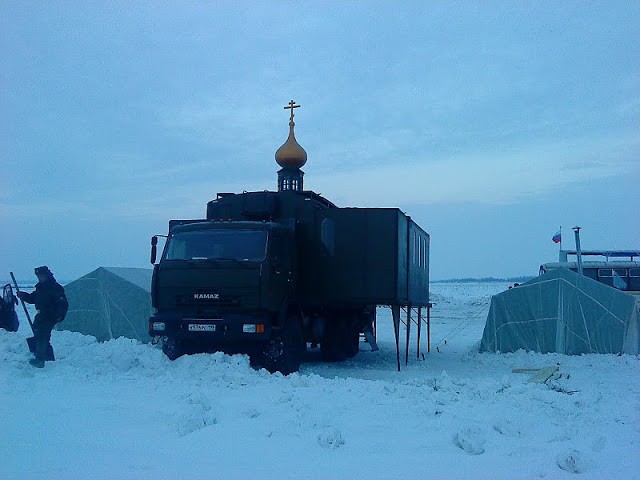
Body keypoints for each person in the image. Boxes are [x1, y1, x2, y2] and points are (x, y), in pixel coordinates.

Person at [17, 266, 68, 368]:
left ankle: (40, 360)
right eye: (38, 276)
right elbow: (32, 298)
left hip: (50, 315)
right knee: (38, 334)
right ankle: (48, 358)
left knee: (42, 335)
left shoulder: (55, 288)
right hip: (40, 315)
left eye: (41, 276)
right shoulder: (40, 288)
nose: (40, 278)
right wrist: (23, 295)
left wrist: (59, 315)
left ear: (47, 275)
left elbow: (63, 304)